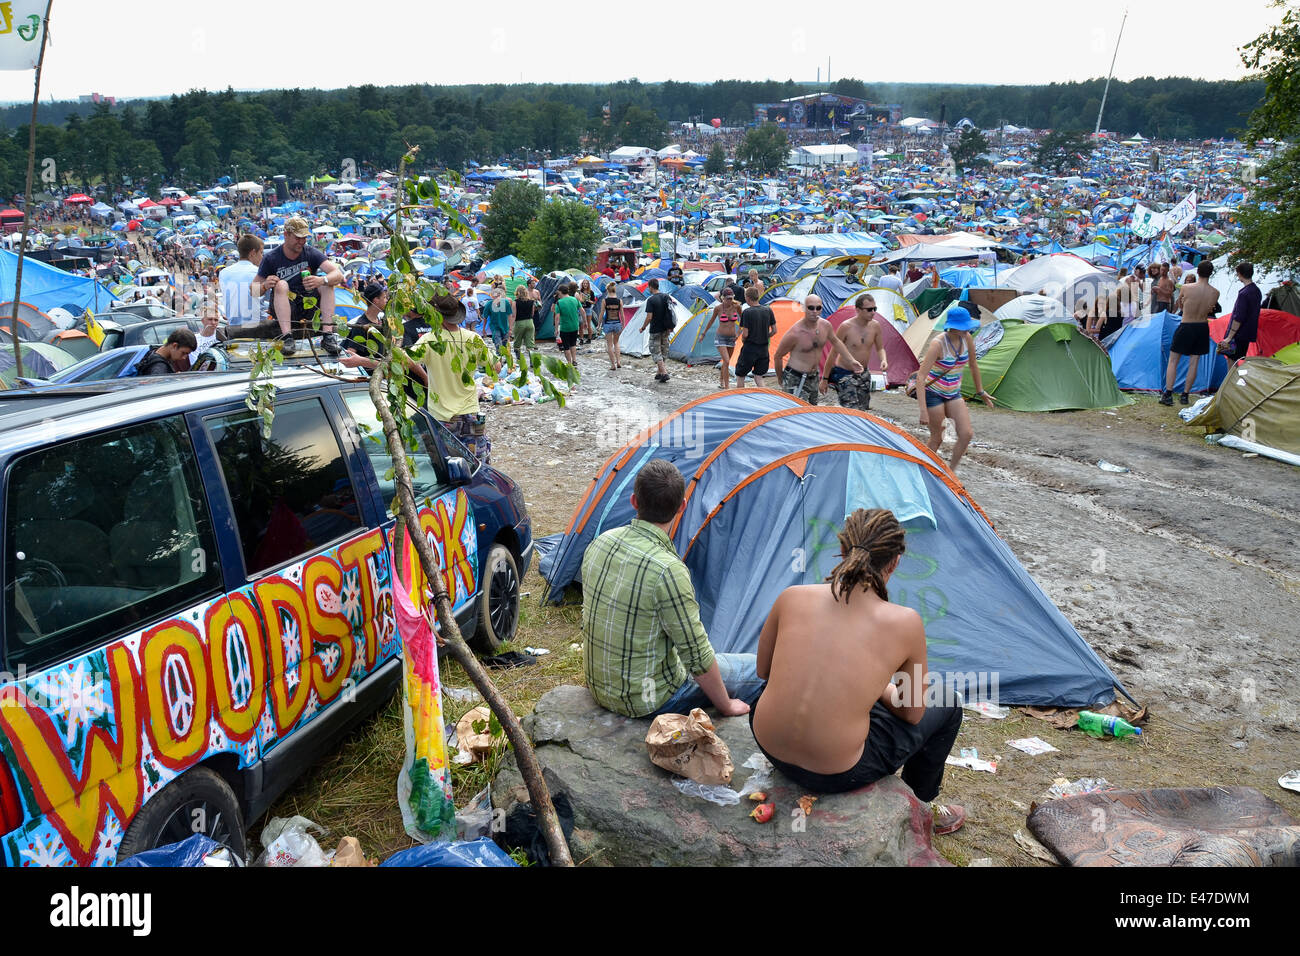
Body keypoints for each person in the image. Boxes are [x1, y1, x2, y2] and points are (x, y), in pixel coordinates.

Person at [750, 508, 965, 833]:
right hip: (836, 772)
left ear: (841, 550)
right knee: (948, 703)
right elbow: (911, 712)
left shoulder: (792, 596)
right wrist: (878, 685)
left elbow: (763, 671)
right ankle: (922, 810)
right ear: (894, 563)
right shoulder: (905, 622)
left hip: (768, 742)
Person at [581, 458, 761, 718]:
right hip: (648, 701)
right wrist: (726, 706)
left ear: (634, 501)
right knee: (758, 669)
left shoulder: (600, 542)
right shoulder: (668, 570)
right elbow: (697, 657)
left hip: (599, 688)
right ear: (682, 507)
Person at [414, 291, 498, 462]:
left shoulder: (430, 340)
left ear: (435, 314)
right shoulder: (473, 338)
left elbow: (401, 361)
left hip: (444, 418)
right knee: (476, 466)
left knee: (448, 468)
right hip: (471, 414)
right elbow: (496, 367)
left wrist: (361, 361)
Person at [915, 306, 993, 471]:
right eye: (964, 327)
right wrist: (923, 410)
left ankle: (951, 473)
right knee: (938, 436)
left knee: (966, 434)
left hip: (953, 393)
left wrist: (981, 391)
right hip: (934, 393)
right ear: (953, 327)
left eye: (968, 327)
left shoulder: (967, 339)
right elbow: (921, 377)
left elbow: (973, 365)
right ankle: (921, 470)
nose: (968, 330)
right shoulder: (938, 344)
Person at [252, 216, 344, 356]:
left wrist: (321, 280)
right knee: (281, 284)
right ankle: (287, 337)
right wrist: (264, 285)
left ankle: (328, 335)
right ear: (286, 235)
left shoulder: (310, 252)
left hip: (308, 306)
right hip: (285, 307)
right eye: (297, 238)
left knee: (327, 284)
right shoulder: (271, 258)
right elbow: (253, 290)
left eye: (304, 238)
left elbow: (338, 275)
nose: (301, 242)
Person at [773, 295, 862, 405]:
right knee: (797, 414)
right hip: (795, 377)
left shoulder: (825, 326)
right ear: (804, 308)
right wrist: (780, 379)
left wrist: (851, 361)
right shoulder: (795, 333)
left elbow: (836, 342)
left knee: (812, 411)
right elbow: (778, 356)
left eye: (818, 308)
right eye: (811, 308)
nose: (814, 311)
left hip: (813, 377)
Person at [1161, 260, 1218, 406]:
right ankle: (1185, 395)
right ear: (1211, 273)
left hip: (1186, 324)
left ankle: (1168, 393)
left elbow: (1179, 305)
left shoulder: (1186, 288)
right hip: (1202, 326)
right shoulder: (1215, 293)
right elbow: (1210, 309)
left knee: (1173, 360)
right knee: (1194, 362)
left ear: (1198, 272)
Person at [823, 293, 887, 410]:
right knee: (851, 411)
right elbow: (833, 354)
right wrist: (825, 379)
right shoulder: (846, 327)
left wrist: (883, 360)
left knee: (863, 410)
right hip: (845, 374)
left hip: (864, 374)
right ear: (858, 310)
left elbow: (880, 348)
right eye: (869, 309)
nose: (873, 312)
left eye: (874, 309)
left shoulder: (875, 326)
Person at [218, 233, 266, 329]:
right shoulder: (257, 273)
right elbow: (256, 301)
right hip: (255, 329)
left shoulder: (223, 273)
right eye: (261, 253)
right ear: (252, 253)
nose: (262, 257)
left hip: (233, 328)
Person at [1217, 261, 1261, 363]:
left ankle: (1231, 379)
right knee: (1237, 359)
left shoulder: (1244, 293)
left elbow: (1238, 317)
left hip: (1237, 335)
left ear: (1240, 274)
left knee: (1231, 360)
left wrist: (1229, 337)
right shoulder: (1256, 291)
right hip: (1247, 334)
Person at [734, 286, 777, 387]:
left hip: (750, 348)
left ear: (747, 298)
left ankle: (740, 398)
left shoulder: (747, 312)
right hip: (763, 349)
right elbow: (774, 330)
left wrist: (744, 341)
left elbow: (745, 334)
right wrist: (766, 336)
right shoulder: (768, 310)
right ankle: (763, 398)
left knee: (741, 375)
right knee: (758, 376)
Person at [701, 286, 742, 389]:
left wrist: (738, 333)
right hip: (720, 337)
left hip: (732, 338)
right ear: (722, 298)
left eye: (731, 298)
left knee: (725, 362)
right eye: (727, 298)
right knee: (727, 361)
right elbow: (710, 321)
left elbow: (743, 320)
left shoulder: (736, 307)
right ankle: (727, 387)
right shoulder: (718, 308)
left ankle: (721, 380)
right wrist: (703, 333)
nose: (729, 300)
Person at [639, 278, 675, 383]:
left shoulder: (651, 300)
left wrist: (643, 327)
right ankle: (659, 373)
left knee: (655, 350)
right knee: (663, 349)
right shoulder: (666, 297)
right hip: (666, 328)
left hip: (655, 329)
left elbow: (649, 317)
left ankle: (664, 372)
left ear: (650, 287)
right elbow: (671, 312)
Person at [554, 281, 582, 367]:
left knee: (566, 346)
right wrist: (584, 323)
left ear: (560, 292)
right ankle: (574, 360)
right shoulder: (574, 299)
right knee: (573, 344)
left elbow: (557, 317)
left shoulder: (559, 303)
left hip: (565, 328)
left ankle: (569, 363)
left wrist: (556, 329)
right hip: (574, 326)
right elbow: (583, 311)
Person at [485, 280, 514, 351]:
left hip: (505, 327)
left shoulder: (506, 302)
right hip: (495, 328)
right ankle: (500, 360)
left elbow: (510, 315)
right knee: (499, 346)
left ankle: (505, 361)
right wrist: (483, 330)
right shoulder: (489, 304)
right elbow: (485, 317)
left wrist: (510, 328)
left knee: (506, 347)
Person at [601, 280, 624, 370]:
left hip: (608, 323)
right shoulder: (619, 301)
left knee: (609, 345)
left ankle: (613, 365)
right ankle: (618, 362)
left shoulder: (604, 301)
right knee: (616, 343)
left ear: (607, 291)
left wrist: (599, 324)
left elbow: (601, 313)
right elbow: (622, 314)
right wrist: (623, 324)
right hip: (617, 323)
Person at [512, 283, 536, 359]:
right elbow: (532, 313)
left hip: (519, 322)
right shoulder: (531, 301)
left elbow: (514, 315)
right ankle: (532, 361)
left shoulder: (515, 302)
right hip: (530, 322)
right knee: (530, 343)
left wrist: (511, 326)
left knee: (517, 342)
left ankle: (519, 359)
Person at [577, 278, 596, 344]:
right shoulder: (580, 291)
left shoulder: (591, 292)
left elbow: (594, 302)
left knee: (588, 324)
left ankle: (589, 339)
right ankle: (581, 339)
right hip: (581, 309)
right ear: (582, 284)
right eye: (584, 283)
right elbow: (578, 300)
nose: (585, 284)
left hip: (588, 309)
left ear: (588, 284)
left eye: (586, 283)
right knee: (581, 325)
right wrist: (581, 298)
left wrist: (588, 300)